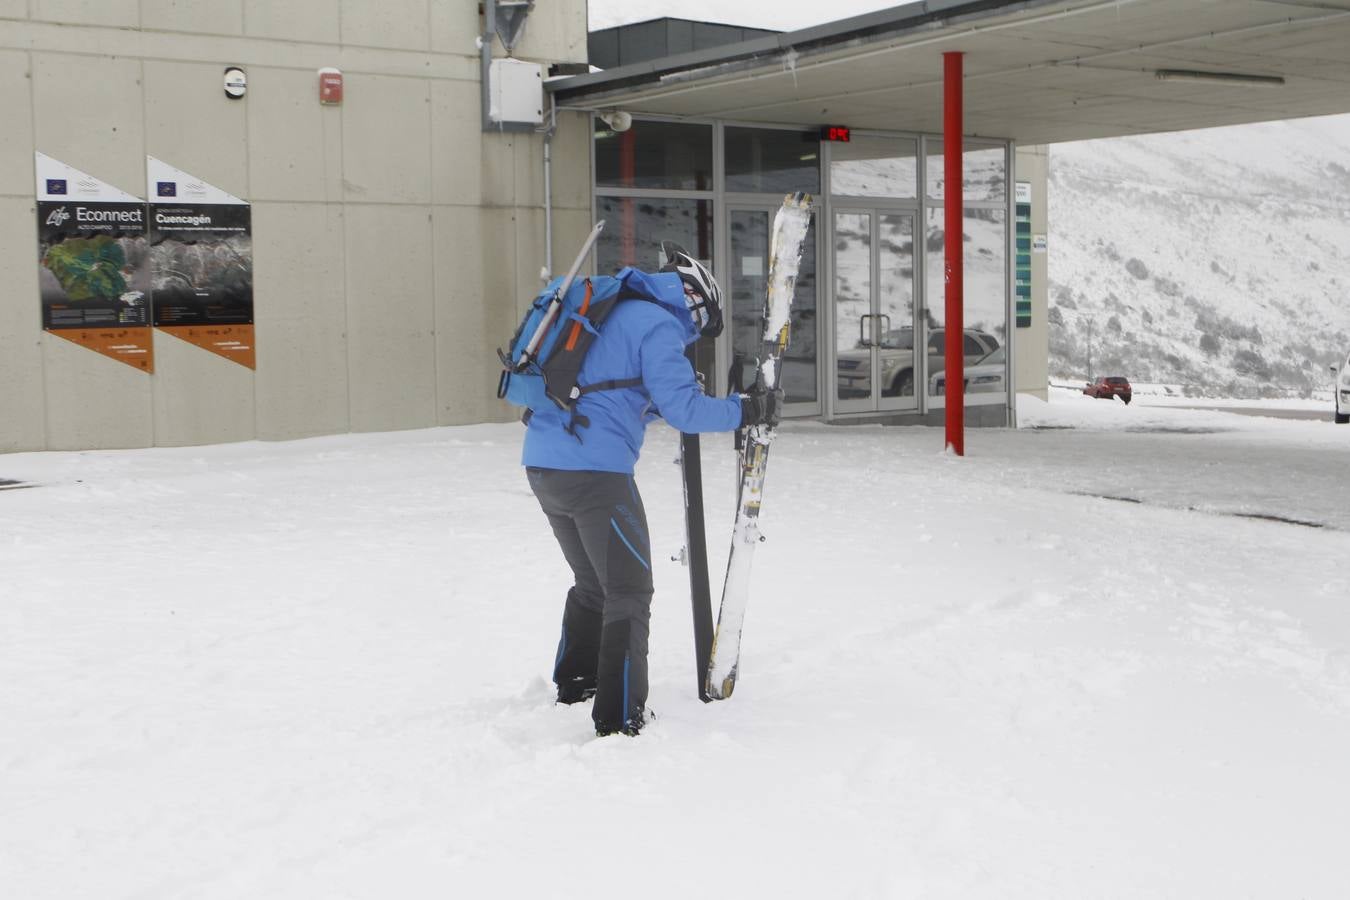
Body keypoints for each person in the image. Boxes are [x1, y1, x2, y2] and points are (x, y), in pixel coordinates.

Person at [523, 245, 781, 737]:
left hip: (543, 464)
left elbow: (613, 391)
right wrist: (746, 410)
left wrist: (673, 399)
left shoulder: (609, 312)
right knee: (629, 590)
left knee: (593, 583)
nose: (695, 334)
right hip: (595, 474)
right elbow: (687, 411)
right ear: (694, 300)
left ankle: (576, 683)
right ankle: (620, 717)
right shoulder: (658, 323)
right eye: (702, 323)